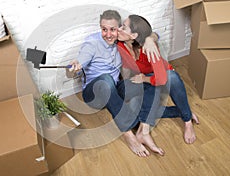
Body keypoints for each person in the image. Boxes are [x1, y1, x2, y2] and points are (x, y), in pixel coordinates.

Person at [69, 10, 166, 157]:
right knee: (106, 79)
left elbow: (154, 32)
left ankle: (143, 130)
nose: (108, 34)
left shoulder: (120, 41)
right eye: (104, 29)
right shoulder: (92, 43)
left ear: (119, 29)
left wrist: (150, 39)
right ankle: (128, 134)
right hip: (94, 93)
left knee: (149, 81)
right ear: (100, 28)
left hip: (114, 89)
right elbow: (80, 61)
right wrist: (75, 67)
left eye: (113, 29)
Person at [117, 14, 199, 144]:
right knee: (133, 113)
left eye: (124, 27)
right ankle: (181, 111)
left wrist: (144, 79)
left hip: (160, 76)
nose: (119, 29)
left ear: (133, 36)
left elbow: (161, 78)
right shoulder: (120, 44)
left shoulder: (148, 47)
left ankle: (187, 120)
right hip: (141, 80)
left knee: (172, 77)